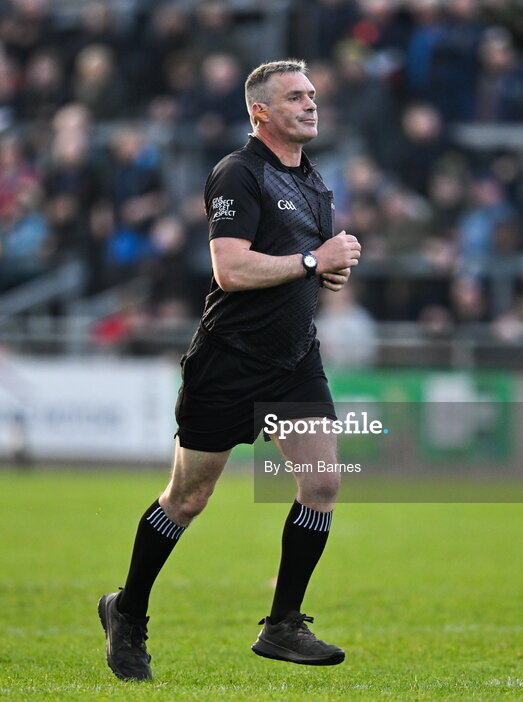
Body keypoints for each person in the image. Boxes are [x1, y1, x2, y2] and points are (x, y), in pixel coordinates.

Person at [98, 59, 362, 682]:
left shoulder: (316, 185)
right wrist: (311, 259)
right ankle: (127, 612)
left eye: (312, 95)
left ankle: (283, 624)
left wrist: (331, 267)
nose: (310, 103)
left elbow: (310, 267)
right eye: (295, 97)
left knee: (322, 483)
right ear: (260, 111)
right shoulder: (236, 174)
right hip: (228, 361)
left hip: (294, 360)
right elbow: (231, 271)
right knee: (189, 498)